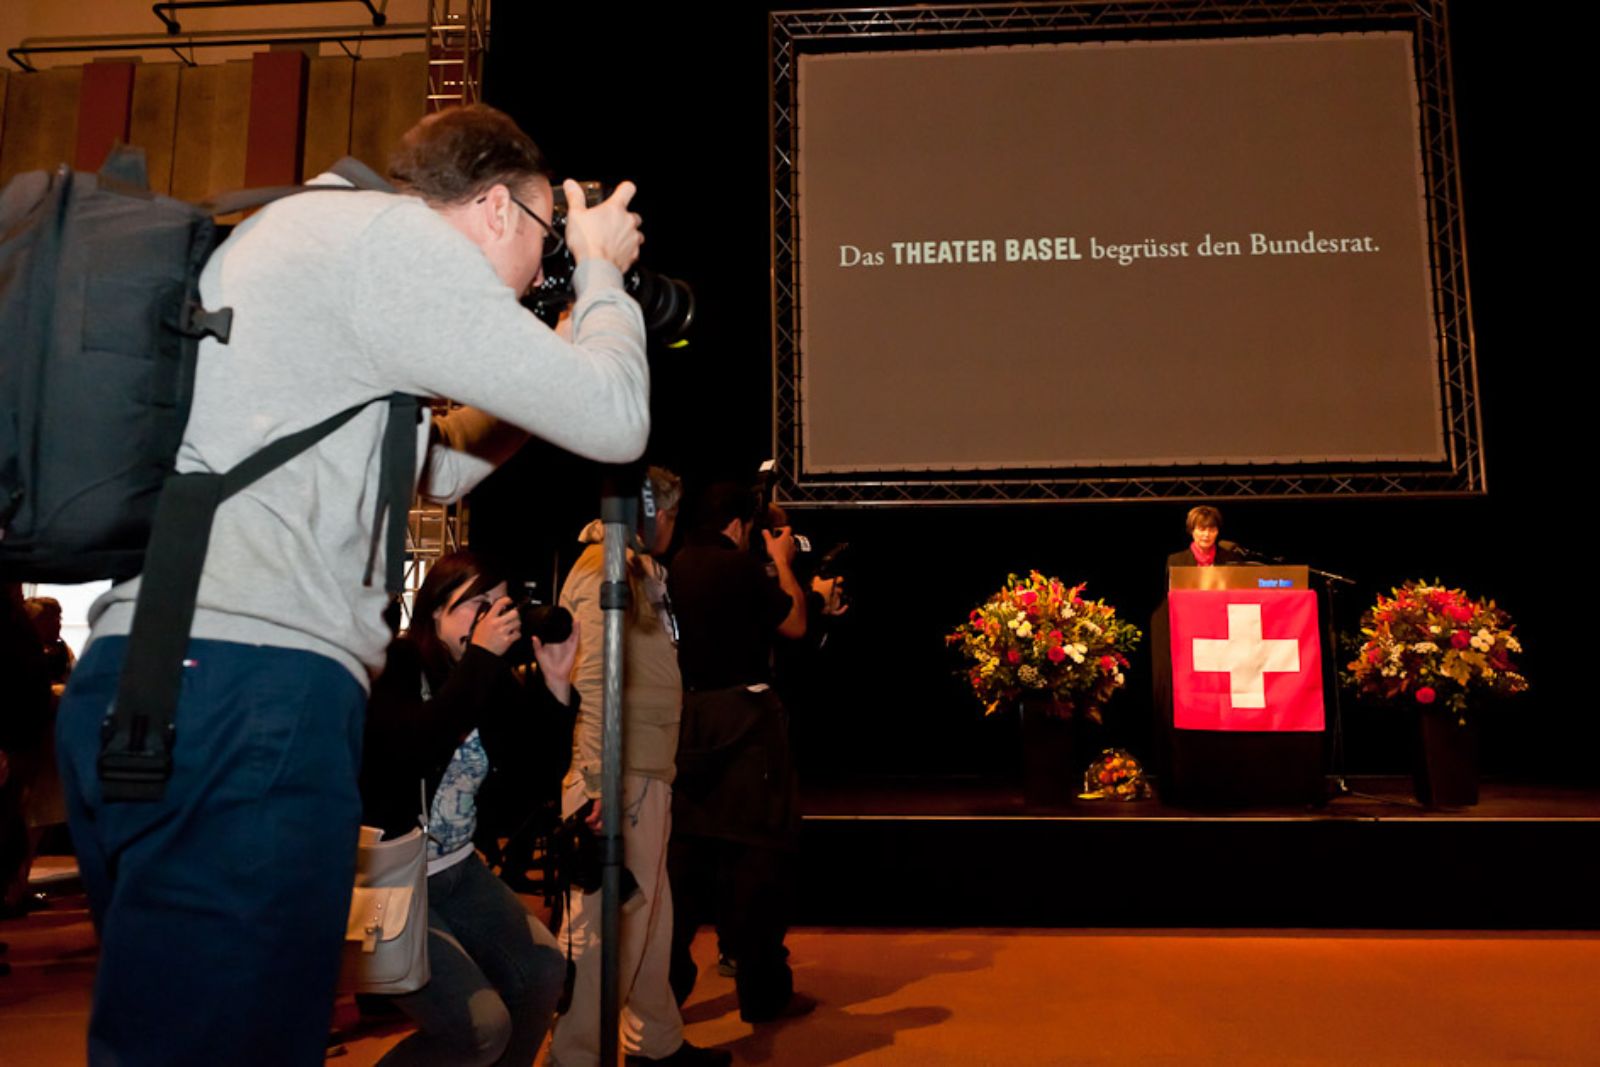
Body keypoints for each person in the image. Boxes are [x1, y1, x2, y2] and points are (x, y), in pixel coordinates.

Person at [54, 103, 649, 1066]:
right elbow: (617, 419)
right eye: (546, 242)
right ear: (498, 208)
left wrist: (562, 349)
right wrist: (605, 272)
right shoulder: (388, 243)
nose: (543, 275)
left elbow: (439, 466)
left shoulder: (323, 246)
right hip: (248, 694)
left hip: (184, 682)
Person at [361, 550, 572, 1066]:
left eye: (503, 606)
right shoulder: (396, 666)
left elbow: (535, 778)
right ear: (435, 610)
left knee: (543, 972)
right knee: (479, 1027)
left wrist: (556, 688)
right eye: (480, 605)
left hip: (457, 870)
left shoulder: (491, 678)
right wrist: (480, 660)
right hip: (392, 879)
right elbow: (416, 746)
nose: (497, 619)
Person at [548, 468, 729, 1067]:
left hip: (645, 767)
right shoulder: (605, 567)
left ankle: (656, 1043)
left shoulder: (639, 568)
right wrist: (600, 782)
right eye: (670, 517)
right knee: (602, 933)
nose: (673, 530)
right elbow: (595, 675)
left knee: (647, 916)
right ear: (652, 513)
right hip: (617, 774)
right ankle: (575, 1057)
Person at [664, 483, 836, 1023]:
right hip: (743, 723)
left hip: (685, 722)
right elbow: (794, 622)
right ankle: (762, 992)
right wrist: (784, 565)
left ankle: (663, 995)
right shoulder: (738, 569)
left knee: (684, 863)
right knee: (757, 859)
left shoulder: (673, 566)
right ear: (740, 525)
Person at [1166, 505, 1247, 573]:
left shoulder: (1231, 559)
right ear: (1191, 530)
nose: (1207, 534)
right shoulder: (1176, 561)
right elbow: (1170, 591)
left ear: (1217, 532)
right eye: (1202, 529)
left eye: (1212, 530)